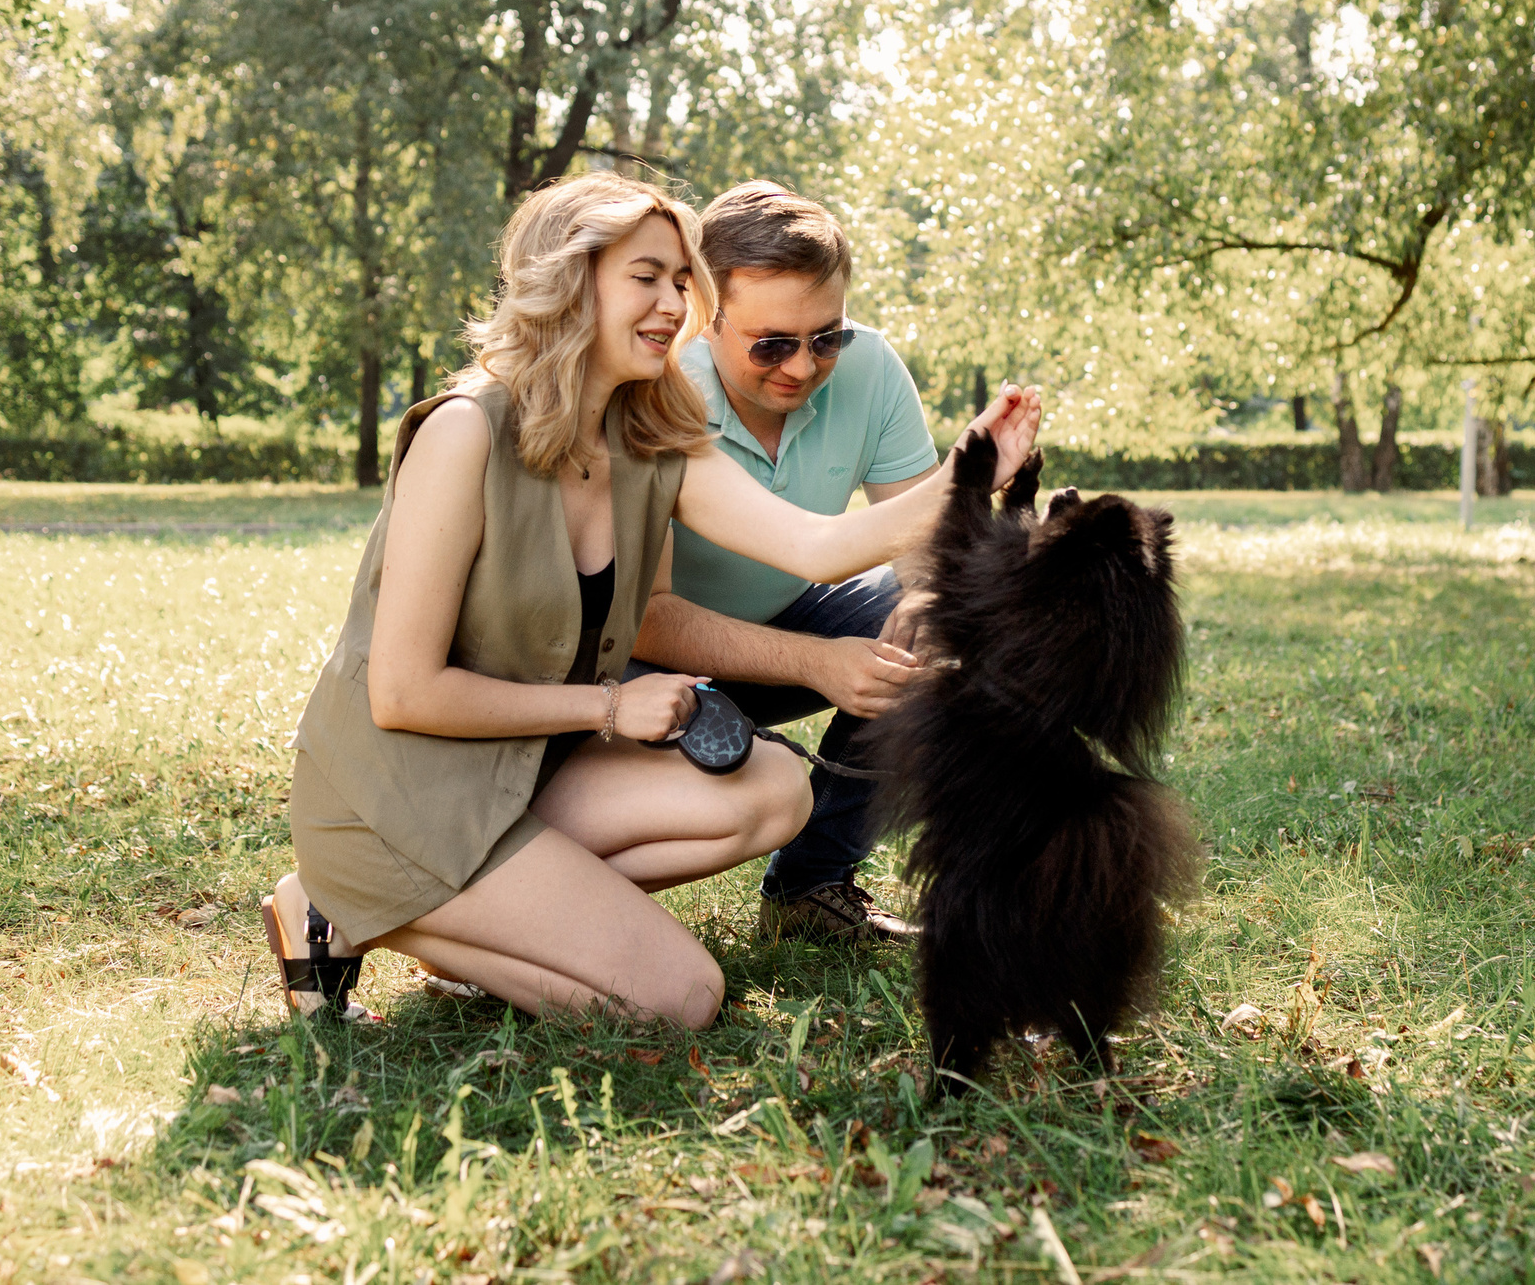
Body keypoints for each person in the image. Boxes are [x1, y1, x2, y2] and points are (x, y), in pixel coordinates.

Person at [260, 173, 1039, 1029]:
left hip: (522, 777)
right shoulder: (464, 433)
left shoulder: (650, 432)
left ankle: (441, 908)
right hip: (398, 797)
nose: (674, 302)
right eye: (647, 276)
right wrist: (607, 704)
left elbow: (818, 547)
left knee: (777, 788)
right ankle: (346, 903)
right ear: (569, 279)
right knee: (682, 998)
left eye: (680, 280)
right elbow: (403, 693)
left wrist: (971, 466)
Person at [632, 181, 942, 945]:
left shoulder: (871, 369)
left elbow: (931, 550)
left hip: (783, 627)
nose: (802, 367)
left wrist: (929, 612)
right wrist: (816, 662)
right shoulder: (655, 389)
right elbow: (644, 618)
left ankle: (811, 887)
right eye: (771, 344)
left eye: (826, 337)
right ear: (706, 317)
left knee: (944, 623)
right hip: (638, 672)